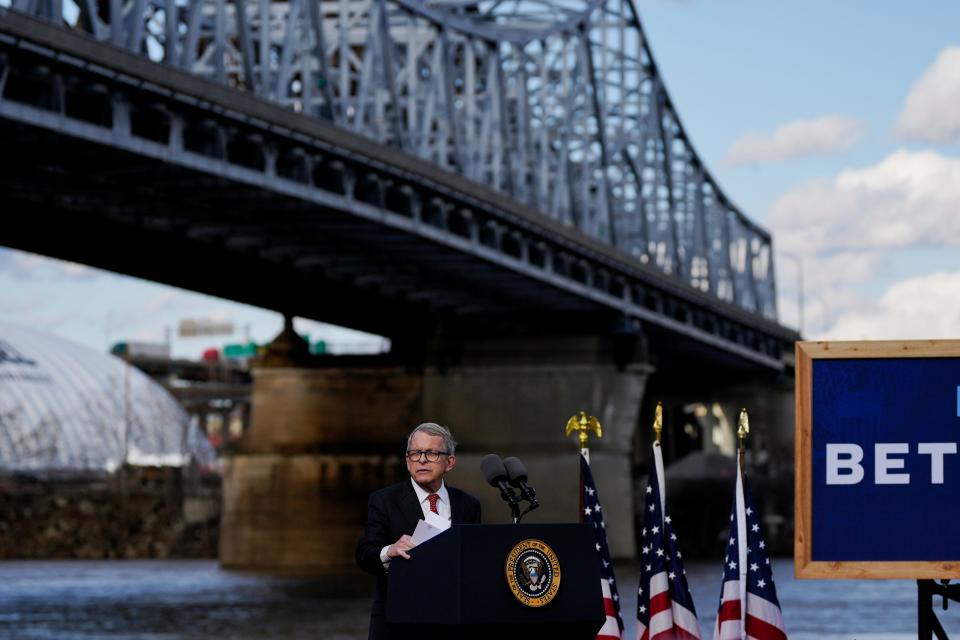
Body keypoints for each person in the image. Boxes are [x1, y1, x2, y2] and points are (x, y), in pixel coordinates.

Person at [355, 422, 482, 640]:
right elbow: (364, 554)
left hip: (452, 620)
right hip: (400, 623)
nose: (422, 459)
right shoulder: (385, 500)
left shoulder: (468, 504)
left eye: (431, 453)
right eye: (415, 453)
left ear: (449, 462)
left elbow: (475, 562)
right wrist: (390, 550)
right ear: (407, 462)